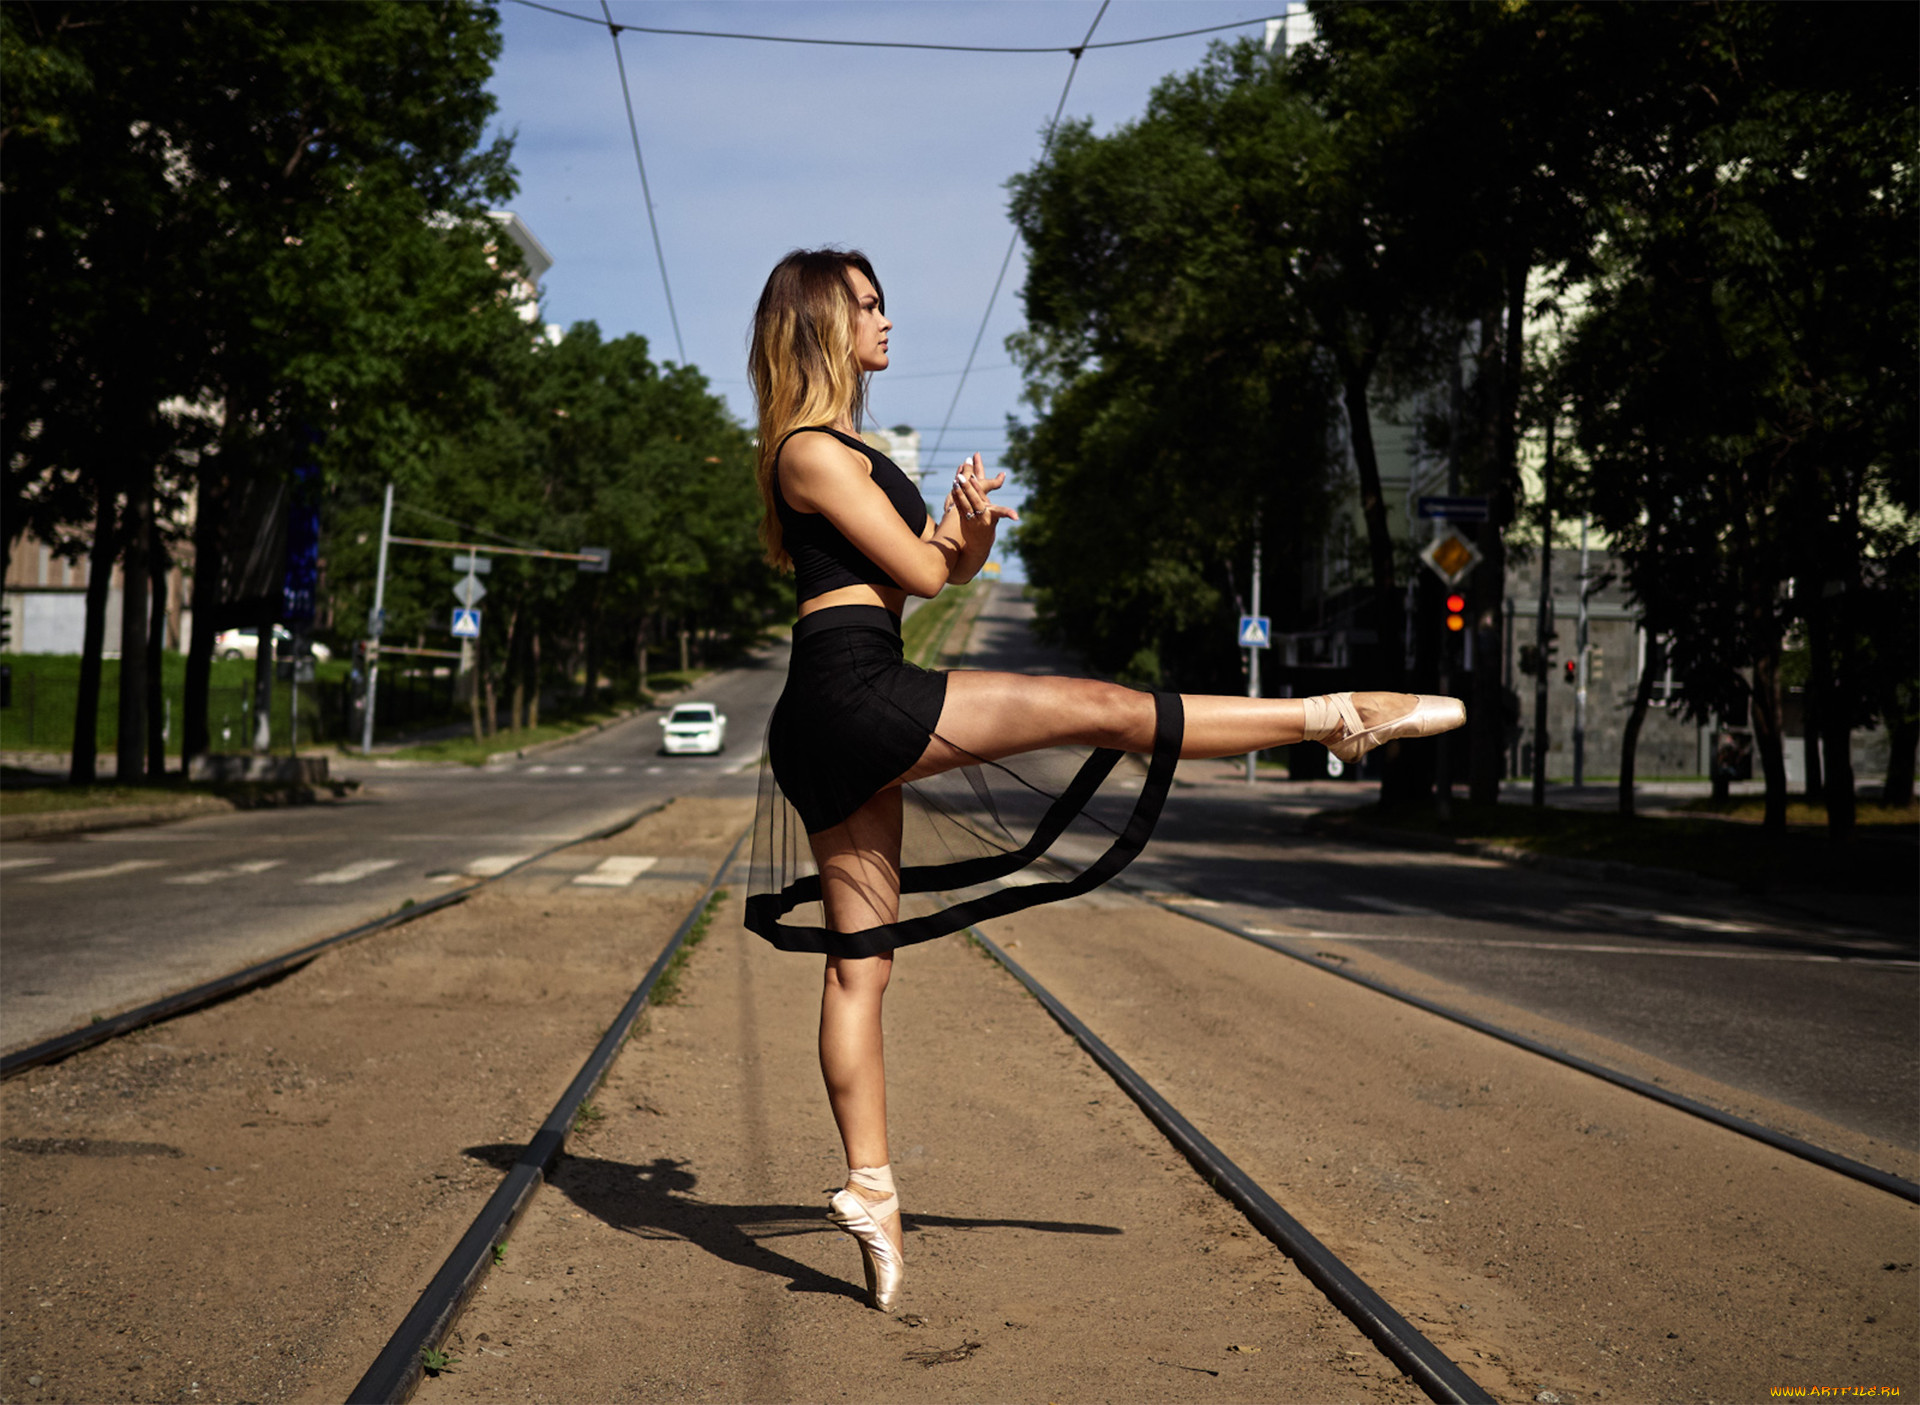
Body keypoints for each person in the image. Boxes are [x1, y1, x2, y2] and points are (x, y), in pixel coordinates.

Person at [743, 247, 1464, 1313]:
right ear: (818, 323)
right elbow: (919, 572)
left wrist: (970, 534)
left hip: (840, 699)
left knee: (863, 966)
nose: (887, 318)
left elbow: (933, 562)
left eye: (885, 299)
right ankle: (1337, 717)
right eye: (866, 304)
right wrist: (951, 547)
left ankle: (871, 1189)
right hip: (852, 689)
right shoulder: (810, 449)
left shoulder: (845, 447)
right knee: (1105, 707)